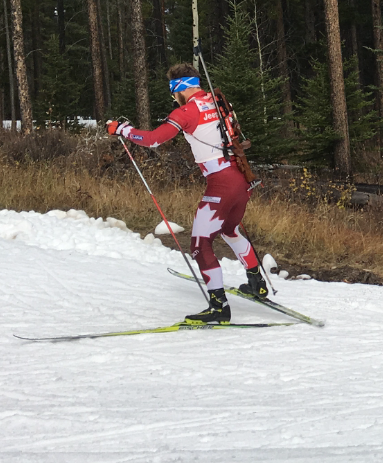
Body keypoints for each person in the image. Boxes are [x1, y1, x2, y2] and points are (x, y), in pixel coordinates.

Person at [106, 63, 267, 324]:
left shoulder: (187, 111)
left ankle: (218, 308)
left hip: (222, 184)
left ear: (179, 89)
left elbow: (152, 139)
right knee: (229, 230)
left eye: (173, 93)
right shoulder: (216, 101)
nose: (173, 98)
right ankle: (256, 283)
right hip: (240, 178)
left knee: (200, 244)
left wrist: (121, 129)